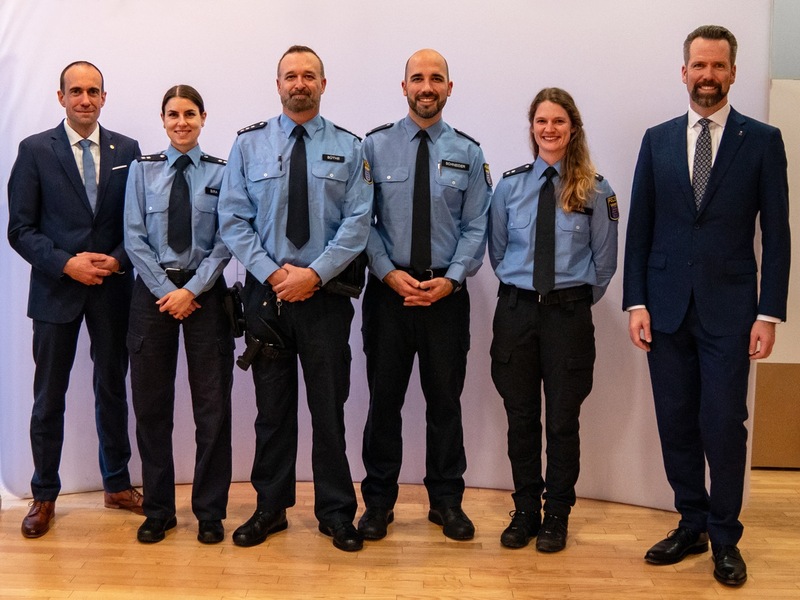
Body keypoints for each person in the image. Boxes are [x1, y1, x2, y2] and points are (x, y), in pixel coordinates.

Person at [623, 25, 790, 586]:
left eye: (718, 66)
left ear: (733, 72)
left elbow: (780, 233)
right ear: (684, 71)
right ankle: (690, 522)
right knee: (675, 421)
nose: (708, 76)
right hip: (665, 308)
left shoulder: (762, 141)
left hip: (732, 312)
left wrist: (769, 313)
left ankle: (724, 536)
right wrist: (636, 301)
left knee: (723, 423)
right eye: (699, 66)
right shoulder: (658, 138)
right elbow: (640, 227)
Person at [218, 45, 372, 552]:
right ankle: (269, 508)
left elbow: (357, 224)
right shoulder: (248, 146)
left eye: (309, 75)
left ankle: (335, 512)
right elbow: (234, 221)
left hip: (325, 299)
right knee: (272, 411)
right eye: (290, 76)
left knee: (329, 409)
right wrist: (273, 273)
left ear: (323, 84)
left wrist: (315, 275)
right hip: (268, 299)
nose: (299, 83)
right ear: (278, 84)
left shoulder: (351, 148)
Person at [357, 49, 491, 542]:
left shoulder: (469, 152)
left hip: (446, 298)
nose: (427, 86)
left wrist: (452, 279)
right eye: (418, 78)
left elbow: (477, 225)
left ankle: (446, 503)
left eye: (436, 78)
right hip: (389, 295)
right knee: (383, 402)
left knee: (445, 403)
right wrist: (388, 273)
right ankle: (377, 504)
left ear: (449, 88)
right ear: (404, 86)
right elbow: (361, 221)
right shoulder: (373, 147)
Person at [7, 61, 143, 538]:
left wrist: (119, 260)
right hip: (55, 291)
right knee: (49, 398)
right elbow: (20, 229)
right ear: (60, 97)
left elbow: (138, 224)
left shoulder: (127, 149)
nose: (85, 99)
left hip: (112, 291)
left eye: (93, 91)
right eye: (76, 91)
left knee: (112, 389)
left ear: (104, 97)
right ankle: (44, 494)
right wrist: (67, 263)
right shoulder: (34, 150)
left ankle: (118, 485)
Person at [489, 88, 618, 553]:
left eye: (559, 122)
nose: (549, 129)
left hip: (568, 316)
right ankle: (525, 510)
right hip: (518, 312)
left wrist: (570, 299)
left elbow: (604, 264)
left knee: (563, 420)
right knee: (521, 416)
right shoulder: (509, 187)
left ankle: (556, 514)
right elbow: (498, 251)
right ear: (532, 128)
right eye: (541, 121)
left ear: (573, 128)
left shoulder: (596, 190)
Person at [124, 85, 234, 545]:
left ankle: (209, 512)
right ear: (163, 120)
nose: (182, 122)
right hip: (153, 297)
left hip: (205, 296)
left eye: (190, 113)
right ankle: (159, 510)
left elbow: (228, 238)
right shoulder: (141, 171)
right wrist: (169, 291)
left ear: (204, 118)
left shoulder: (223, 172)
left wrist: (191, 290)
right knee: (152, 408)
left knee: (212, 410)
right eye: (173, 114)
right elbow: (133, 237)